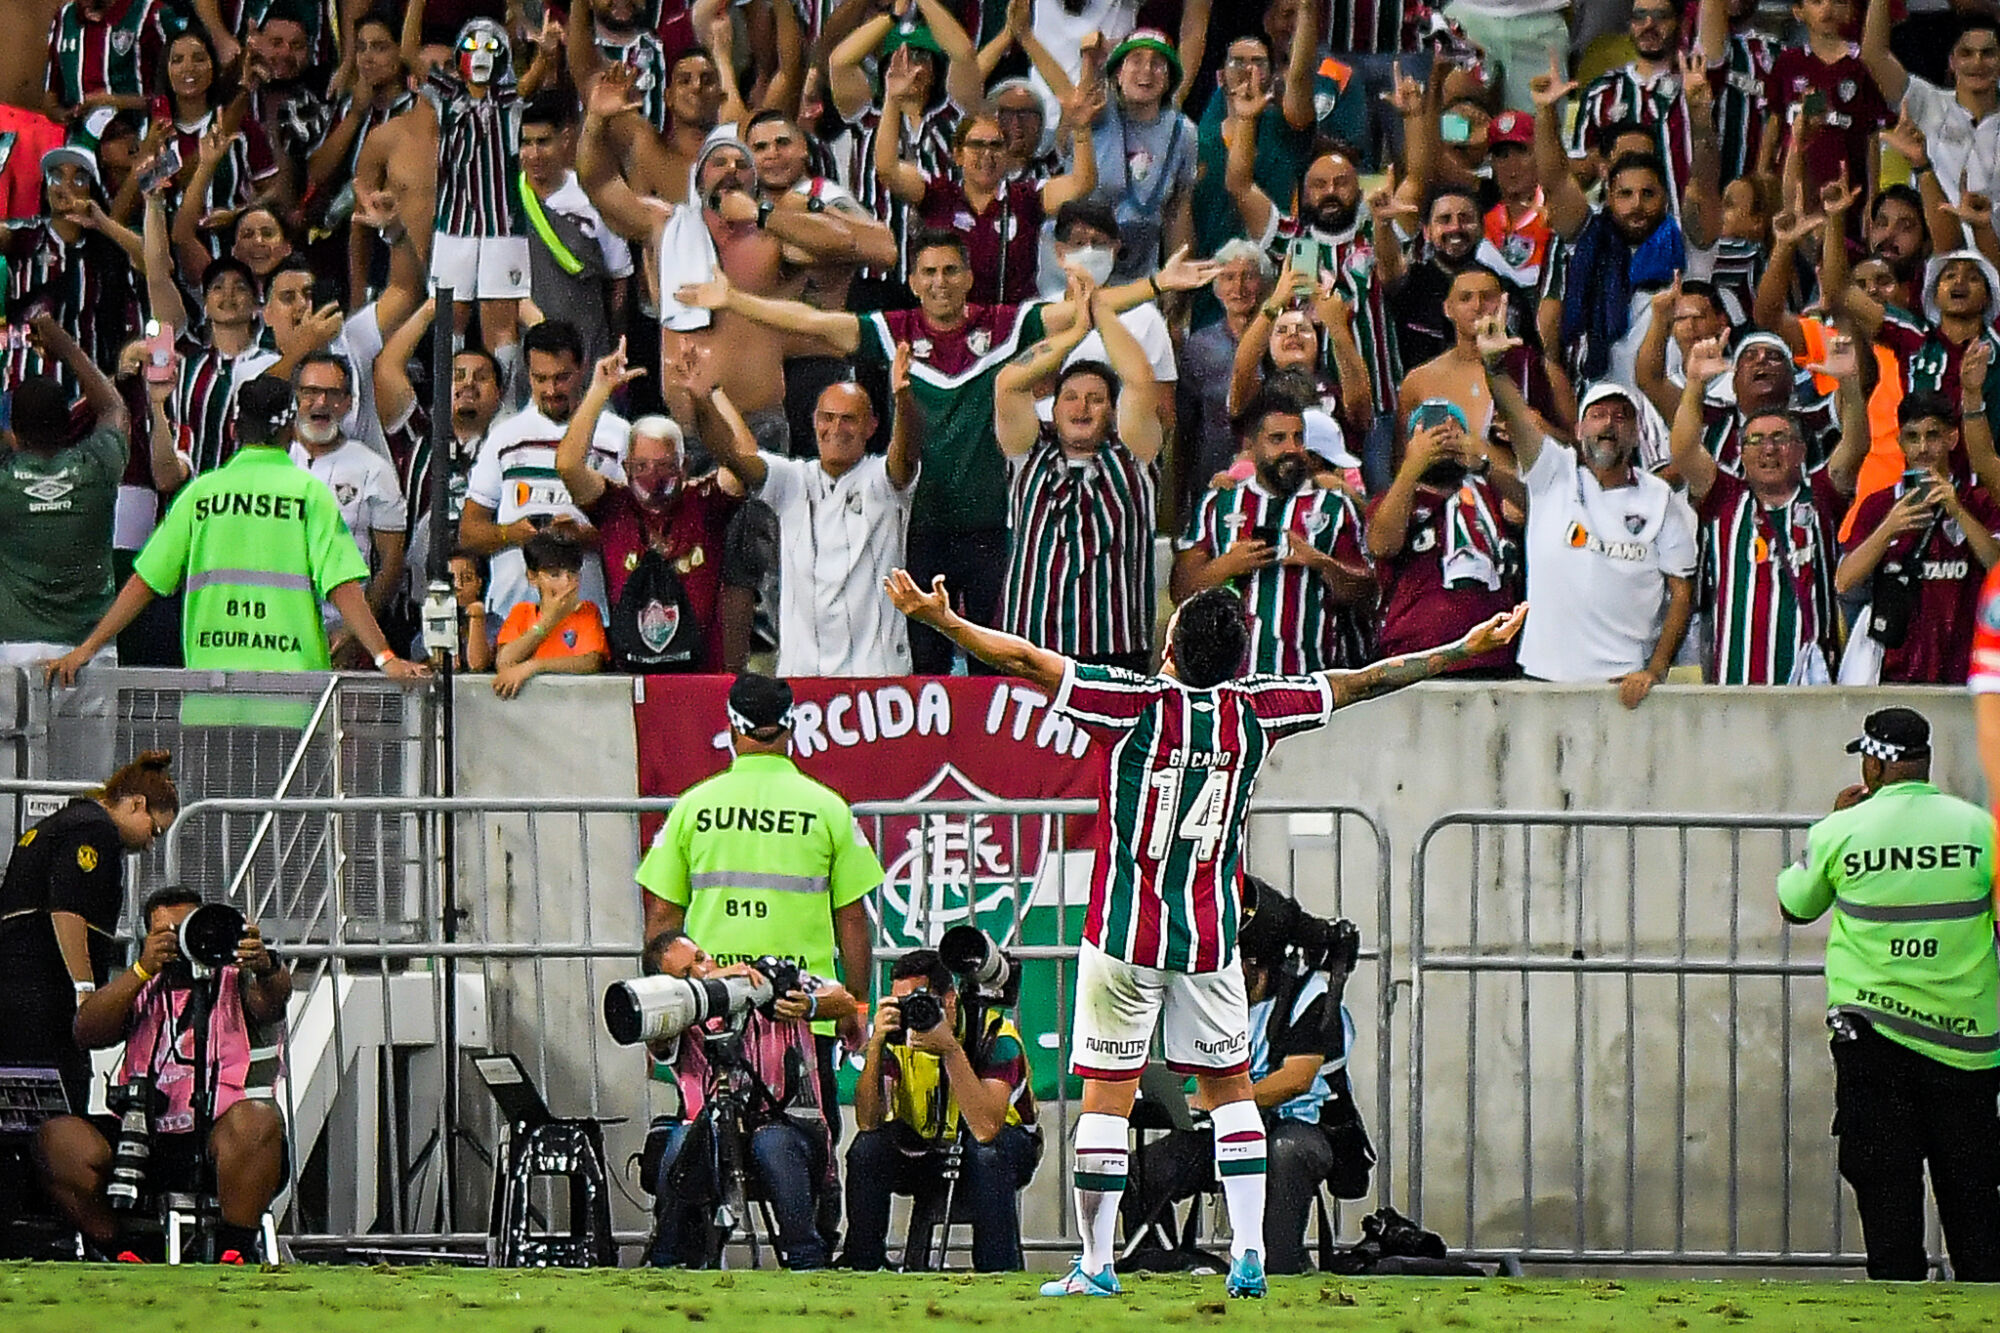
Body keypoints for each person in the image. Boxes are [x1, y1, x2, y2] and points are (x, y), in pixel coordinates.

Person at [882, 570, 1524, 1299]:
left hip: (1126, 936)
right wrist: (1459, 648)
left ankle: (1095, 1264)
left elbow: (1026, 659)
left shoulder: (1131, 705)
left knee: (1107, 1096)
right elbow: (1362, 679)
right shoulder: (1255, 710)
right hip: (1212, 940)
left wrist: (945, 622)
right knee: (1231, 1091)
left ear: (1171, 645)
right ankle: (1248, 1250)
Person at [1777, 707, 2000, 1283]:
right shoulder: (1980, 827)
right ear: (1924, 762)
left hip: (1873, 1036)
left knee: (1885, 1187)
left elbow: (1796, 905)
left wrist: (1829, 825)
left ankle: (1899, 1301)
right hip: (1969, 1039)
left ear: (1873, 762)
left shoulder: (1843, 829)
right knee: (1975, 1192)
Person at [46, 377, 430, 683]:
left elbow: (145, 581)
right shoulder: (309, 495)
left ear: (234, 429)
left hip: (211, 691)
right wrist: (387, 658)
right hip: (294, 698)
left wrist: (88, 648)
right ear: (290, 432)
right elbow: (343, 587)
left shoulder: (201, 494)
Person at [635, 674, 881, 1137]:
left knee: (707, 1141)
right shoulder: (827, 808)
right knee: (814, 1142)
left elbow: (664, 917)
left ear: (732, 728)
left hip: (712, 1004)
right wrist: (856, 1005)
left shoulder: (693, 806)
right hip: (803, 1007)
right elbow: (851, 919)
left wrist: (659, 1004)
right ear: (791, 729)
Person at [1117, 884, 1366, 1275]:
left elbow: (1296, 1080)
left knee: (1284, 1151)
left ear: (1256, 963)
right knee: (1140, 1171)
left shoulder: (1314, 998)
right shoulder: (1220, 1002)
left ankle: (1279, 1266)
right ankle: (1155, 1266)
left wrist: (1223, 1100)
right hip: (1226, 1123)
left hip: (1301, 1127)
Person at [35, 886, 290, 1264]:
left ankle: (234, 1249)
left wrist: (266, 965)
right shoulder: (143, 982)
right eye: (169, 933)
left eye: (190, 928)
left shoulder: (235, 978)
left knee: (258, 1119)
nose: (183, 941)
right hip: (139, 1139)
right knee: (56, 1139)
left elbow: (273, 1000)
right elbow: (86, 1031)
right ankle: (120, 1250)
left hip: (218, 1138)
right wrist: (143, 968)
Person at [1481, 320, 1698, 708]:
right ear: (1579, 428)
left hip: (1623, 683)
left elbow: (1681, 590)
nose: (1609, 425)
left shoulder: (1659, 497)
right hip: (1543, 678)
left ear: (1635, 433)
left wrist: (1656, 669)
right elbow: (1517, 419)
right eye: (1599, 415)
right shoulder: (1554, 472)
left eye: (1621, 417)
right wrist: (1496, 370)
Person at [643, 929, 859, 1270]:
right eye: (686, 973)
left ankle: (806, 1258)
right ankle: (669, 1259)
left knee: (772, 1143)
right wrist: (706, 989)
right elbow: (654, 1037)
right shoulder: (675, 1014)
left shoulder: (764, 980)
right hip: (708, 1128)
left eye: (701, 959)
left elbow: (845, 999)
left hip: (787, 1124)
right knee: (683, 1139)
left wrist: (809, 1004)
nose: (702, 969)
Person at [702, 348, 920, 678]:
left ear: (872, 426)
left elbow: (904, 456)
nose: (836, 427)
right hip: (802, 675)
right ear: (815, 422)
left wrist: (902, 398)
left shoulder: (881, 480)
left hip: (877, 673)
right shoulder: (792, 479)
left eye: (849, 419)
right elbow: (733, 456)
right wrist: (704, 397)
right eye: (828, 417)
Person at [1672, 333, 1870, 684]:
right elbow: (1685, 451)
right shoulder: (1725, 498)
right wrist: (1694, 384)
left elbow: (1855, 445)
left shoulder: (1822, 494)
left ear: (1801, 450)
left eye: (1780, 439)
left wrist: (1850, 384)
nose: (1768, 449)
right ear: (1741, 454)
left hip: (1811, 690)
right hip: (1737, 688)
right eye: (1756, 440)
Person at [993, 279, 1161, 671]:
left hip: (1116, 651)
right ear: (1053, 410)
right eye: (1069, 397)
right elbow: (1008, 384)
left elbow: (1139, 380)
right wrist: (1074, 332)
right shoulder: (1029, 454)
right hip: (1031, 648)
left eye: (1096, 399)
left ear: (1113, 412)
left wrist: (1100, 311)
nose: (1081, 406)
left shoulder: (1133, 456)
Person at [554, 339, 751, 673]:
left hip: (699, 673)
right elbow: (568, 466)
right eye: (642, 467)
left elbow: (746, 464)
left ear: (684, 466)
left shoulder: (705, 502)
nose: (652, 478)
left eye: (664, 466)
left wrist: (711, 393)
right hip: (631, 677)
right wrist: (598, 391)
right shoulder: (613, 505)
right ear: (626, 466)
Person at [0, 752, 178, 1116]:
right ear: (136, 804)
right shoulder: (94, 831)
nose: (149, 844)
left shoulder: (64, 822)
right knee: (56, 1111)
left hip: (16, 989)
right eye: (154, 830)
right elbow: (68, 911)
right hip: (41, 996)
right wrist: (84, 990)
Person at [844, 950, 1040, 1273]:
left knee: (986, 1153)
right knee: (867, 1150)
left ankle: (998, 1272)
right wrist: (877, 1043)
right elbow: (868, 1122)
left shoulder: (995, 1037)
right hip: (925, 1149)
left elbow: (986, 1128)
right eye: (901, 1004)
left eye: (920, 1002)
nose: (912, 1013)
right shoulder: (898, 1039)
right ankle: (863, 1266)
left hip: (1001, 1151)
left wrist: (949, 1049)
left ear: (949, 999)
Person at [1172, 388, 1375, 675]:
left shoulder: (1335, 506)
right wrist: (1227, 565)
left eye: (1298, 438)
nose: (1291, 449)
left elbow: (1368, 597)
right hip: (1232, 688)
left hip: (1311, 682)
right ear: (1251, 445)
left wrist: (1318, 561)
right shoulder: (1217, 505)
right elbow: (1181, 591)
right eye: (1277, 439)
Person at [460, 319, 627, 628]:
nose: (551, 390)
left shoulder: (618, 436)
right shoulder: (504, 436)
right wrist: (511, 534)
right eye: (540, 379)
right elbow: (469, 532)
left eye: (562, 378)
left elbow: (638, 531)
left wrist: (583, 537)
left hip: (591, 617)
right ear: (527, 373)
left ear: (583, 367)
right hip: (511, 616)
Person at [1836, 392, 2000, 685]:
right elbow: (1844, 581)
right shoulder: (1880, 504)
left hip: (1965, 673)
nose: (1923, 448)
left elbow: (1996, 565)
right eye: (1912, 437)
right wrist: (1888, 529)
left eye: (1933, 436)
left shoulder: (1977, 501)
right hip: (1895, 673)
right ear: (1900, 442)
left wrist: (1958, 511)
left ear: (1952, 439)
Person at [0, 314, 130, 668]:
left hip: (15, 650)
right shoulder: (98, 467)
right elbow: (112, 407)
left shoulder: (5, 482)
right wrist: (66, 346)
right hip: (89, 652)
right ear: (71, 421)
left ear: (14, 430)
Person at [287, 353, 408, 648]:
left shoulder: (373, 468)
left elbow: (391, 565)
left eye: (333, 394)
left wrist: (354, 632)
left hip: (341, 630)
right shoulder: (274, 461)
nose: (321, 403)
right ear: (295, 398)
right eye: (310, 392)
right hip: (278, 628)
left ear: (348, 402)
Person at [492, 531, 609, 698]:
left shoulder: (587, 611)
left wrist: (533, 666)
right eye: (554, 575)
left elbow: (591, 661)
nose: (566, 582)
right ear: (532, 577)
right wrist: (550, 620)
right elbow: (504, 662)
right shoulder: (522, 612)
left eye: (573, 574)